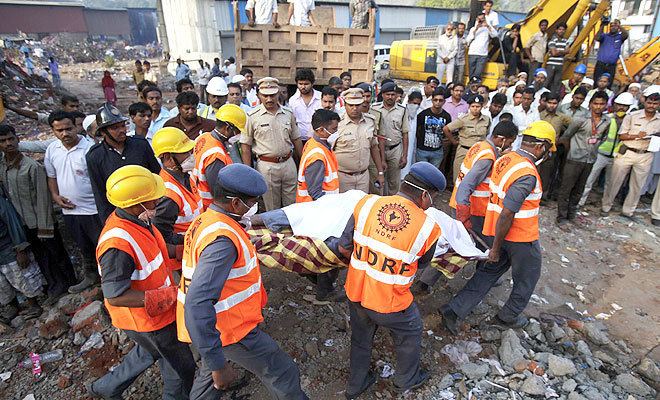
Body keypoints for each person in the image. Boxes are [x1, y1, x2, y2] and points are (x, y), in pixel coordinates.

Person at [177, 163, 308, 399]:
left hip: (216, 328)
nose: (255, 205)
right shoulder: (222, 241)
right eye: (253, 201)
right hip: (231, 329)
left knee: (210, 380)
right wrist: (218, 365)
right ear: (236, 203)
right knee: (282, 372)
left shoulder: (208, 220)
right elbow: (198, 302)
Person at [338, 162, 444, 398]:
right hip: (390, 302)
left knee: (361, 338)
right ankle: (406, 379)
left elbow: (344, 248)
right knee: (411, 330)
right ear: (425, 195)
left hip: (356, 291)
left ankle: (356, 385)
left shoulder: (367, 204)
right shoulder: (429, 228)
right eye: (433, 198)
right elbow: (420, 265)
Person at [440, 121, 556, 334]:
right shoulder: (527, 173)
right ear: (541, 147)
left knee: (488, 272)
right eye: (549, 150)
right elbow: (508, 212)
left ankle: (454, 310)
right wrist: (496, 248)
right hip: (520, 238)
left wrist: (496, 245)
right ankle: (507, 316)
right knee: (528, 277)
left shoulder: (506, 159)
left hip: (495, 232)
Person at [95, 165, 196, 398]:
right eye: (152, 200)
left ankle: (106, 387)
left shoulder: (138, 220)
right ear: (134, 204)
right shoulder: (117, 245)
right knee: (181, 369)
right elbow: (115, 295)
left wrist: (187, 250)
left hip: (153, 316)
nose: (158, 203)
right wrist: (171, 295)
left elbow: (159, 250)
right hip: (149, 319)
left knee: (150, 351)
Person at [416, 121, 518, 295]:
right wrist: (464, 217)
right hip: (471, 209)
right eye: (510, 141)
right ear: (501, 139)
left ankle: (426, 281)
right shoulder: (488, 157)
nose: (510, 145)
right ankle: (481, 275)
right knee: (463, 246)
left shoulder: (480, 146)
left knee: (454, 244)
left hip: (461, 204)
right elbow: (467, 186)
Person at [0, 124, 76, 297]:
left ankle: (70, 284)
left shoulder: (31, 167)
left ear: (18, 139)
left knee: (57, 255)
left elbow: (43, 198)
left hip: (41, 221)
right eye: (3, 141)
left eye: (11, 139)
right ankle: (55, 286)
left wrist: (44, 226)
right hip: (24, 223)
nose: (8, 143)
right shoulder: (3, 167)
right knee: (41, 258)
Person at [45, 112, 103, 294]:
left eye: (68, 128)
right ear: (53, 131)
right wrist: (55, 195)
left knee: (102, 246)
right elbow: (51, 176)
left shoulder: (90, 149)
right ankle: (91, 277)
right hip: (70, 211)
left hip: (93, 210)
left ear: (76, 127)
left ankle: (109, 281)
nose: (65, 133)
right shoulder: (52, 150)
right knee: (83, 247)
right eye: (59, 130)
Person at [295, 109, 345, 303]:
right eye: (334, 129)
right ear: (321, 130)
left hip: (318, 208)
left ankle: (319, 282)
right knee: (329, 251)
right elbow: (315, 191)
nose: (337, 131)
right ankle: (324, 291)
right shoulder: (317, 153)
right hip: (317, 210)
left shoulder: (318, 146)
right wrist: (331, 213)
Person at [86, 103, 161, 222]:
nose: (122, 130)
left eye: (122, 126)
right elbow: (100, 194)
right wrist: (109, 221)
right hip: (122, 217)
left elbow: (157, 175)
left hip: (150, 211)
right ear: (103, 132)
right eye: (115, 128)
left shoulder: (140, 145)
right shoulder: (95, 156)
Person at [240, 78, 302, 210]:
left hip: (288, 164)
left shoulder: (288, 114)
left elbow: (296, 139)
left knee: (292, 206)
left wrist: (302, 163)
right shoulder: (252, 116)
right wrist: (248, 172)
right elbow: (245, 146)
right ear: (259, 95)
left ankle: (291, 230)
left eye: (272, 95)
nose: (269, 99)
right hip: (266, 166)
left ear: (279, 93)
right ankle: (274, 231)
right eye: (265, 95)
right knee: (271, 207)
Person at [601, 92, 660, 221]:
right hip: (627, 152)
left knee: (637, 185)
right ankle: (606, 207)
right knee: (615, 182)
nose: (652, 105)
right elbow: (622, 135)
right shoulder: (632, 116)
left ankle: (628, 211)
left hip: (646, 154)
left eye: (655, 103)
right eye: (649, 102)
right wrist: (638, 135)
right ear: (644, 102)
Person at [151, 127, 201, 274]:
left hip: (194, 249)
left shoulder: (185, 175)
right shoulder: (168, 196)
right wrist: (191, 239)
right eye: (185, 153)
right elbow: (162, 236)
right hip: (183, 259)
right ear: (168, 158)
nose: (191, 156)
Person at [556, 91, 610, 225]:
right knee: (566, 188)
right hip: (574, 158)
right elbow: (567, 136)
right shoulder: (580, 119)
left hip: (590, 159)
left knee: (579, 189)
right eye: (596, 104)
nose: (598, 107)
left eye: (602, 104)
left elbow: (602, 138)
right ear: (591, 104)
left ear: (606, 105)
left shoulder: (607, 121)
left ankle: (571, 215)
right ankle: (561, 217)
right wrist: (572, 151)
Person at [579, 92, 635, 207]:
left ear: (629, 107)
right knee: (589, 180)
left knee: (610, 184)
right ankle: (580, 202)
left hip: (617, 156)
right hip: (600, 154)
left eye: (625, 106)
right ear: (614, 105)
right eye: (619, 105)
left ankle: (605, 206)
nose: (622, 108)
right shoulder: (607, 118)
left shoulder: (630, 121)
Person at [0, 191, 44, 322]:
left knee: (20, 277)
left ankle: (33, 305)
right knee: (2, 283)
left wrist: (20, 248)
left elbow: (12, 222)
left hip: (8, 247)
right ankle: (13, 306)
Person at [193, 104, 245, 209]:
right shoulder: (216, 155)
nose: (238, 135)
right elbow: (218, 192)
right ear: (228, 128)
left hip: (198, 199)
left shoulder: (204, 137)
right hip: (209, 206)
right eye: (237, 131)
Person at [334, 88, 384, 194]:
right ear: (345, 105)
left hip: (363, 176)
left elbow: (374, 147)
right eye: (350, 105)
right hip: (342, 176)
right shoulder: (337, 123)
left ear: (362, 104)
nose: (354, 108)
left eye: (357, 105)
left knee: (361, 207)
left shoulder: (370, 121)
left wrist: (380, 172)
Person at [371, 83, 409, 195]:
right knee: (378, 180)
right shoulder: (374, 108)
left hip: (395, 149)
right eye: (387, 94)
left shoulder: (402, 110)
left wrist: (405, 155)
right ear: (382, 95)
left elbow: (405, 133)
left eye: (393, 94)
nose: (390, 97)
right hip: (377, 149)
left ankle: (393, 203)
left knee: (394, 182)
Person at [446, 94, 489, 181]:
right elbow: (446, 129)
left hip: (478, 152)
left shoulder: (486, 119)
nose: (475, 108)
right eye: (473, 106)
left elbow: (486, 133)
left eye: (478, 106)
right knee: (458, 177)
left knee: (473, 178)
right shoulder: (463, 119)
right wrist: (454, 141)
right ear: (469, 107)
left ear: (482, 106)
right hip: (464, 151)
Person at [537, 93, 572, 199]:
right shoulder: (539, 115)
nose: (552, 105)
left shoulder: (562, 117)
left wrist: (563, 139)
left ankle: (543, 196)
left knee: (548, 174)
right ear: (545, 102)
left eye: (554, 103)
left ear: (558, 104)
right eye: (549, 103)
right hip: (538, 148)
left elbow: (573, 126)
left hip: (552, 149)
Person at [415, 87, 451, 168]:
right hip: (422, 150)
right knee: (421, 174)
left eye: (440, 100)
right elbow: (417, 130)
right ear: (432, 100)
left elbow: (447, 132)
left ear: (444, 102)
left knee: (433, 175)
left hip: (437, 151)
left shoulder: (447, 116)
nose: (438, 102)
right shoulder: (423, 114)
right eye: (435, 100)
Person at [290, 68, 322, 142]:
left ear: (312, 83)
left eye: (306, 84)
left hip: (317, 140)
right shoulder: (293, 100)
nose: (303, 87)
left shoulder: (321, 97)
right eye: (300, 84)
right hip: (299, 140)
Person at [594, 19, 628, 87]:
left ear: (618, 27)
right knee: (597, 82)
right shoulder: (605, 36)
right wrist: (602, 26)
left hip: (611, 66)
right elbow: (597, 37)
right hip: (601, 65)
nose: (613, 27)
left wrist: (619, 25)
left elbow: (626, 34)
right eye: (611, 26)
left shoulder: (620, 37)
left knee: (608, 84)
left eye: (615, 26)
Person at [466, 13, 497, 80]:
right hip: (472, 53)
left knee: (478, 73)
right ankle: (471, 85)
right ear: (477, 19)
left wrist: (488, 26)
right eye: (479, 19)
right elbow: (468, 40)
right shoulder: (473, 29)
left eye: (482, 19)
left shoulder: (487, 28)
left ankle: (476, 85)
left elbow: (495, 35)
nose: (481, 21)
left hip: (483, 54)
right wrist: (476, 29)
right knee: (471, 72)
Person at [544, 23, 569, 94]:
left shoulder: (565, 40)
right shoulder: (552, 40)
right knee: (547, 81)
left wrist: (558, 51)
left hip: (560, 65)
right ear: (556, 30)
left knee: (557, 83)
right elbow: (554, 53)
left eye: (563, 29)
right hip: (551, 64)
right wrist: (563, 52)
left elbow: (568, 51)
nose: (561, 31)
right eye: (560, 29)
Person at [525, 19, 548, 85]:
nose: (544, 27)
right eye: (542, 25)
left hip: (541, 60)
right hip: (535, 59)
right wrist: (530, 57)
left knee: (538, 77)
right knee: (532, 77)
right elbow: (527, 46)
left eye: (545, 25)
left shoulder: (546, 35)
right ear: (539, 26)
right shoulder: (536, 35)